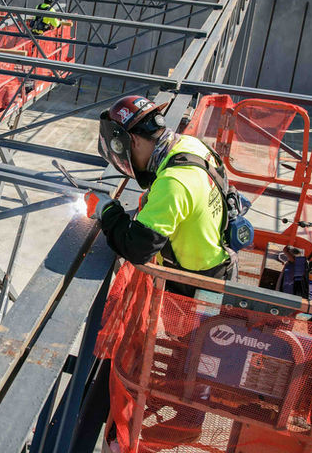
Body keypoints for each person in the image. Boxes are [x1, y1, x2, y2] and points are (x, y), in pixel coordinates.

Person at [92, 94, 235, 446]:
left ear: (135, 141)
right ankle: (183, 390)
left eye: (125, 152)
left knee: (198, 351)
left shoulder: (175, 182)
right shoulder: (187, 146)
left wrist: (107, 213)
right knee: (191, 348)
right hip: (210, 262)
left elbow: (138, 247)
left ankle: (189, 420)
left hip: (198, 281)